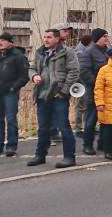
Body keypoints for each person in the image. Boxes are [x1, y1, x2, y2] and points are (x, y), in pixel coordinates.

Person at [28, 29, 80, 168]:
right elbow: (31, 68)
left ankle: (69, 158)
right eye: (44, 37)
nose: (46, 39)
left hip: (59, 96)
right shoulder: (40, 52)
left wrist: (63, 92)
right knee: (43, 128)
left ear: (57, 39)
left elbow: (74, 72)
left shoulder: (67, 52)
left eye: (49, 37)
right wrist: (33, 76)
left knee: (64, 127)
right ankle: (40, 156)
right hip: (42, 95)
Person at [0, 32, 29, 156]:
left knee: (11, 119)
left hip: (10, 93)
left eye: (4, 40)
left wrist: (13, 87)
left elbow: (24, 76)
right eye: (0, 40)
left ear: (10, 43)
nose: (1, 42)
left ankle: (11, 146)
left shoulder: (18, 57)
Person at [77, 28, 108, 155]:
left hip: (109, 91)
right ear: (97, 38)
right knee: (91, 119)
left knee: (106, 120)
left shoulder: (108, 52)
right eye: (104, 36)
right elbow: (84, 72)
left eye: (107, 36)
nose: (106, 38)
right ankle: (87, 145)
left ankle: (103, 143)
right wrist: (98, 84)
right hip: (93, 91)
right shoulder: (88, 52)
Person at [73, 34, 92, 138]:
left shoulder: (83, 49)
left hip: (83, 81)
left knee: (85, 105)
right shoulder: (80, 52)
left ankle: (85, 127)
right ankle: (78, 128)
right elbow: (80, 69)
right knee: (81, 106)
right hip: (81, 82)